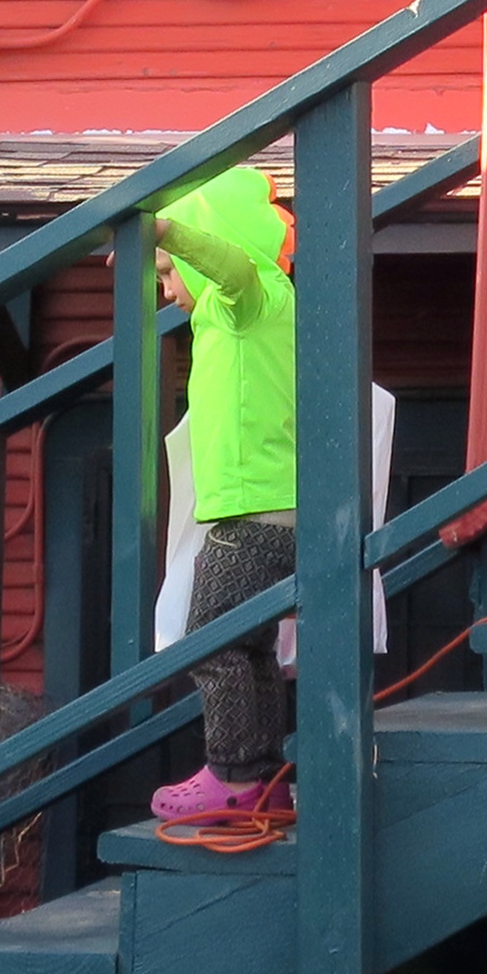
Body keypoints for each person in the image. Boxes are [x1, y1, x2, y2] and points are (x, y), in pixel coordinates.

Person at [147, 159, 304, 823]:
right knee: (248, 644)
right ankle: (262, 778)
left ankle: (234, 773)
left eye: (166, 273)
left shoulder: (249, 298)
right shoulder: (238, 314)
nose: (165, 291)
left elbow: (231, 266)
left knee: (211, 638)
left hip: (255, 511)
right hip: (265, 506)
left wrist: (168, 232)